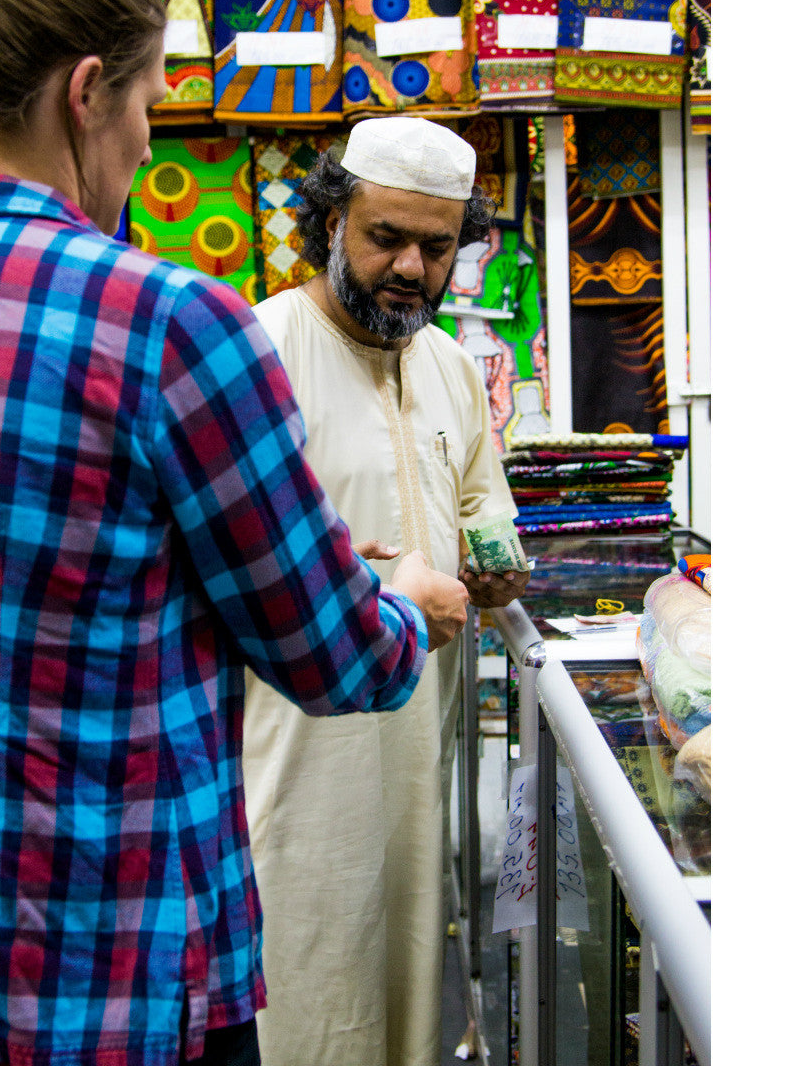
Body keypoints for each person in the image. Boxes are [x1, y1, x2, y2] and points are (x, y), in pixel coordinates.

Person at [0, 0, 470, 1066]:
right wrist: (403, 597)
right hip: (119, 977)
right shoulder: (168, 325)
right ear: (87, 93)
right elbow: (334, 652)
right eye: (146, 102)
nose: (144, 140)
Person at [241, 117, 531, 1066]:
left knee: (409, 986)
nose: (410, 266)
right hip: (291, 759)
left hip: (415, 757)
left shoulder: (448, 365)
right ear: (330, 221)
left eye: (435, 246)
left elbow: (489, 511)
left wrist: (494, 568)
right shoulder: (259, 352)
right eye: (385, 237)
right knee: (301, 991)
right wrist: (373, 585)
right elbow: (229, 569)